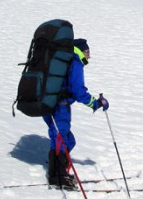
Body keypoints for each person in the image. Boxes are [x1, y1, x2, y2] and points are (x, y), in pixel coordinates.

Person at [45, 37, 108, 189]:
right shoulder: (74, 62)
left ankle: (57, 168)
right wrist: (95, 103)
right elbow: (78, 91)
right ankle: (58, 176)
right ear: (80, 50)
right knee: (61, 139)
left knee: (65, 139)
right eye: (87, 52)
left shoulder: (62, 59)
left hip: (48, 103)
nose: (89, 56)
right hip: (60, 105)